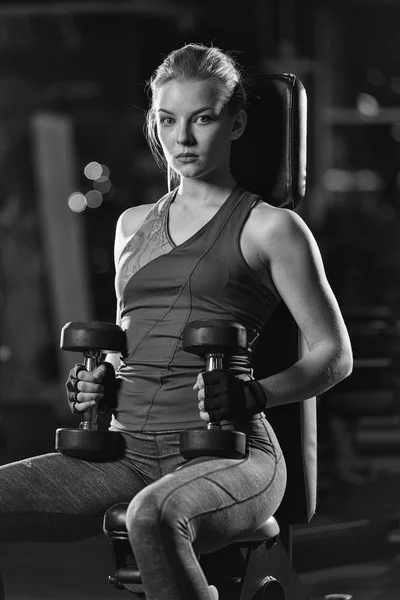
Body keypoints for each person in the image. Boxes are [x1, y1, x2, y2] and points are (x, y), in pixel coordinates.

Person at [0, 43, 353, 600]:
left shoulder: (272, 228)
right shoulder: (131, 226)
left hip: (231, 451)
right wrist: (98, 381)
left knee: (152, 517)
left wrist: (253, 396)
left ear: (235, 124)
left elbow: (334, 355)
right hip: (125, 449)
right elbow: (128, 339)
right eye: (168, 120)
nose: (182, 139)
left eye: (203, 119)